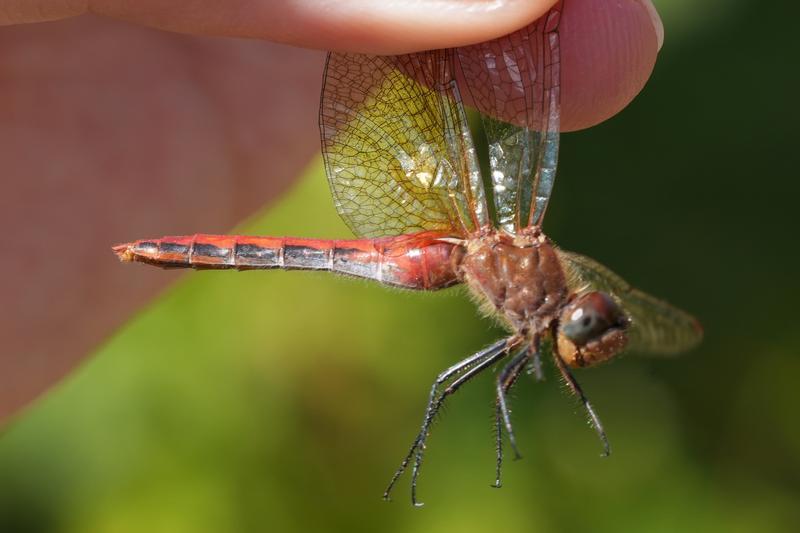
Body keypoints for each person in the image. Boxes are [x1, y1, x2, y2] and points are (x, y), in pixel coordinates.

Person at [0, 0, 663, 423]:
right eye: (588, 320)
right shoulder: (527, 279)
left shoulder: (537, 312)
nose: (586, 327)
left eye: (587, 325)